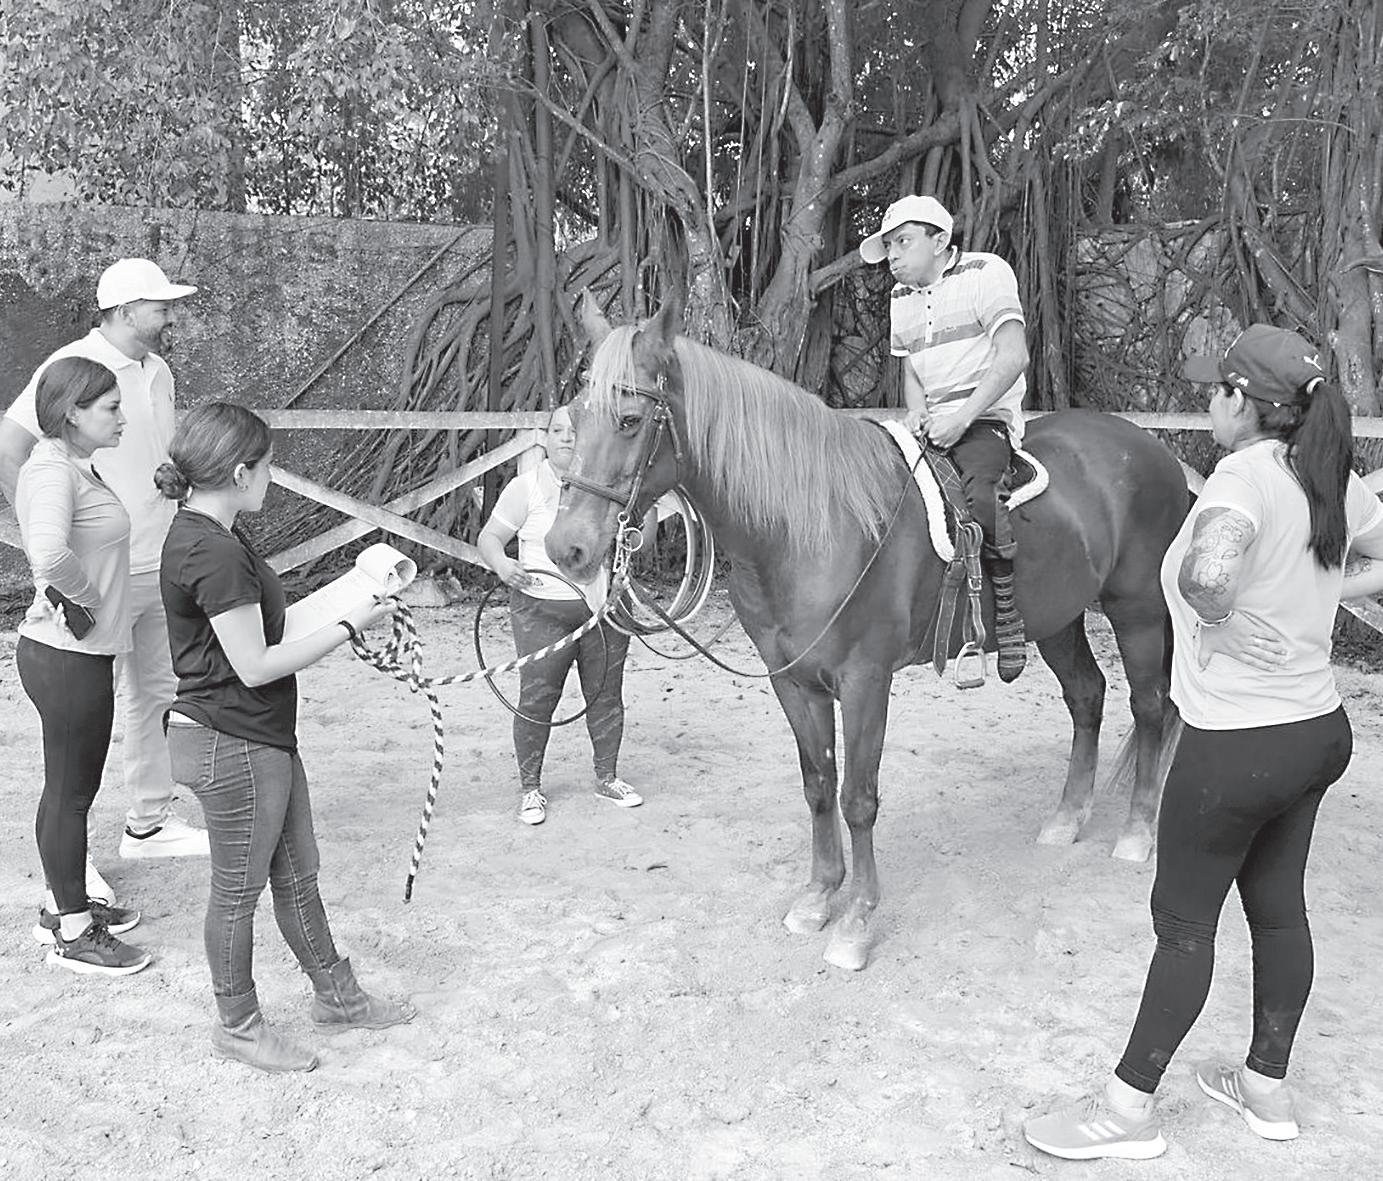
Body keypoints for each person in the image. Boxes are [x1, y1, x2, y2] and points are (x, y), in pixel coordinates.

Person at [1023, 325, 1383, 1160]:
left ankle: (1124, 1112)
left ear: (1241, 402)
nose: (1207, 403)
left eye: (1214, 391)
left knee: (1183, 926)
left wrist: (1215, 617)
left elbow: (1207, 573)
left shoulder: (1241, 477)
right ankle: (1264, 1087)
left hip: (1234, 745)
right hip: (1315, 731)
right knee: (1278, 911)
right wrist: (1324, 589)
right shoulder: (1326, 474)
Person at [157, 402, 413, 1073]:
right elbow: (255, 664)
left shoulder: (214, 533)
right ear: (240, 472)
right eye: (268, 465)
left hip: (257, 734)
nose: (272, 476)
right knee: (237, 893)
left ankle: (338, 997)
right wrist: (350, 626)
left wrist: (349, 603)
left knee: (299, 873)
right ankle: (238, 1026)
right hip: (233, 738)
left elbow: (261, 632)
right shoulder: (212, 550)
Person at [0, 258, 209, 888]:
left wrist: (172, 477)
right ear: (123, 310)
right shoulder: (73, 366)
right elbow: (10, 446)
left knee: (157, 692)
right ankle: (71, 863)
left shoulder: (158, 370)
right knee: (81, 715)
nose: (170, 315)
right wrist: (47, 540)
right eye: (160, 306)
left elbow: (156, 450)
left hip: (158, 558)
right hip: (98, 573)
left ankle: (148, 822)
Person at [14, 357, 151, 976]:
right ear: (72, 412)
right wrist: (86, 601)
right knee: (71, 794)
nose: (122, 418)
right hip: (67, 656)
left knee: (68, 789)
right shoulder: (52, 471)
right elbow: (47, 553)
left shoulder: (71, 466)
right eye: (111, 408)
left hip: (74, 654)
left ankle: (61, 904)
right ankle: (73, 931)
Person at [858, 194, 1031, 680]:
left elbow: (1013, 355)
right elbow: (912, 370)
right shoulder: (900, 297)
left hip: (984, 418)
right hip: (932, 424)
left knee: (980, 495)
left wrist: (962, 418)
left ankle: (1007, 613)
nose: (892, 256)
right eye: (889, 246)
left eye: (902, 242)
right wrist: (916, 411)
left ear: (939, 241)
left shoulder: (986, 272)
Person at [477, 403, 644, 826]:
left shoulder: (609, 486)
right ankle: (530, 789)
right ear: (545, 438)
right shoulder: (526, 487)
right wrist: (502, 565)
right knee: (538, 700)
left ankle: (607, 777)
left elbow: (641, 530)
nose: (567, 438)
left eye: (574, 431)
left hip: (603, 611)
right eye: (558, 431)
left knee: (606, 695)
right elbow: (490, 537)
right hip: (541, 613)